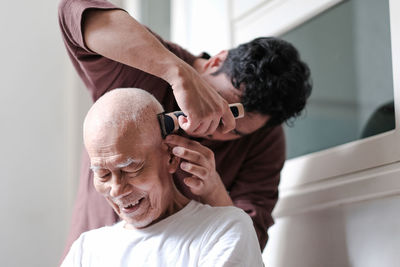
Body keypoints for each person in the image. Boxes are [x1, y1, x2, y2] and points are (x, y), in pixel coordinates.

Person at [58, 0, 312, 258]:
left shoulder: (264, 140)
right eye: (217, 103)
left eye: (233, 131)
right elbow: (73, 11)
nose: (212, 127)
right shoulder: (147, 62)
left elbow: (248, 246)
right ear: (216, 62)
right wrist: (177, 73)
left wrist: (215, 191)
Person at [61, 88, 264, 266]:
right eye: (103, 174)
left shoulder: (224, 231)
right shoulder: (86, 250)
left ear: (170, 156)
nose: (116, 189)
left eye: (131, 168)